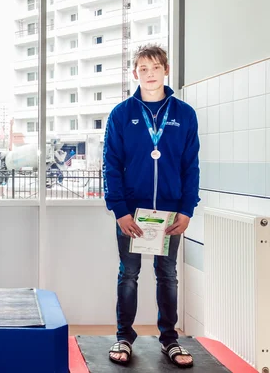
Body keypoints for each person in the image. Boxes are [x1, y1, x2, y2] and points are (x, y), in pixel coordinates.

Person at [103, 44, 199, 368]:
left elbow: (191, 166)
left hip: (170, 213)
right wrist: (120, 211)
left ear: (166, 70)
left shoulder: (184, 115)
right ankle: (123, 337)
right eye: (143, 69)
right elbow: (111, 165)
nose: (149, 74)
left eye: (155, 67)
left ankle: (169, 340)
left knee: (167, 275)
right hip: (132, 212)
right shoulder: (121, 114)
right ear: (135, 74)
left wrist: (187, 210)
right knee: (128, 274)